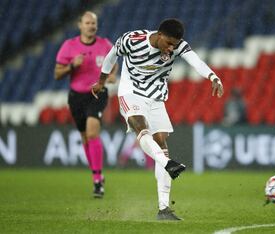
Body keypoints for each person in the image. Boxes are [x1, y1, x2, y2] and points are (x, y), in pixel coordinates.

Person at [92, 18, 224, 220]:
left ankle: (163, 209)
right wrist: (101, 82)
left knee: (161, 140)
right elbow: (111, 56)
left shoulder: (178, 46)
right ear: (159, 35)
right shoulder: (132, 40)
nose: (171, 49)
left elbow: (195, 61)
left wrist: (213, 77)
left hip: (156, 96)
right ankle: (167, 163)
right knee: (140, 126)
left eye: (175, 45)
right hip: (130, 92)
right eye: (169, 43)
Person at [54, 11, 118, 198]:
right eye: (88, 23)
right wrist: (72, 65)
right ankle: (97, 174)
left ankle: (97, 181)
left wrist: (112, 75)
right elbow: (57, 74)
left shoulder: (105, 44)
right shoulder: (69, 46)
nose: (91, 26)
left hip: (97, 93)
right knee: (84, 137)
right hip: (76, 97)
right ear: (80, 25)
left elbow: (114, 64)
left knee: (92, 132)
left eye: (94, 23)